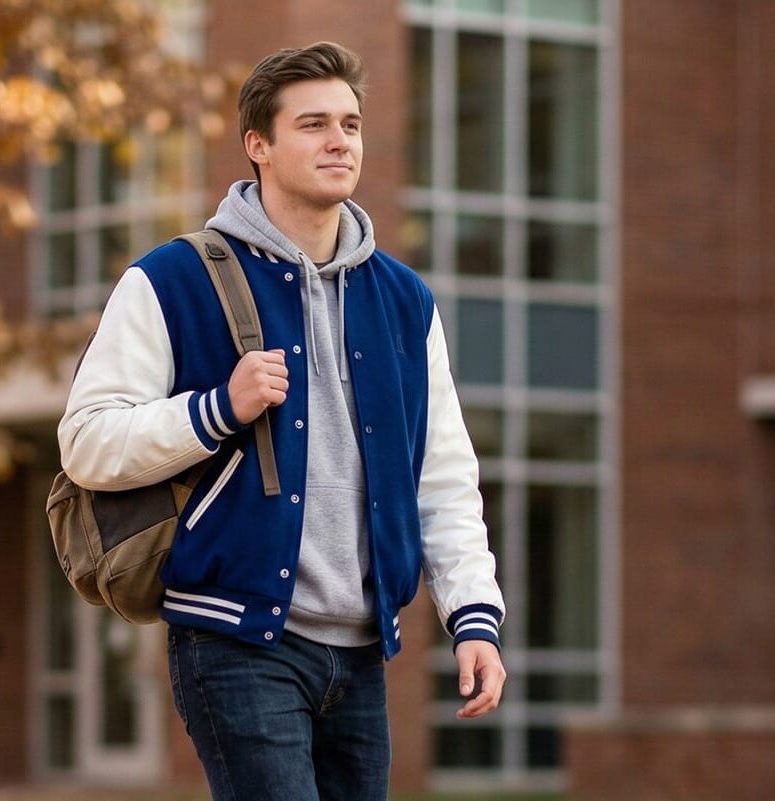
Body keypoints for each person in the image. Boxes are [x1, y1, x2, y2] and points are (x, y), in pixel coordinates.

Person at [57, 41, 506, 801]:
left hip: (363, 654)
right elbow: (87, 442)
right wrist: (215, 410)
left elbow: (443, 476)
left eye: (352, 124)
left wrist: (473, 616)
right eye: (314, 124)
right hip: (236, 642)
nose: (340, 140)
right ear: (257, 145)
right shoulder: (172, 279)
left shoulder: (404, 300)